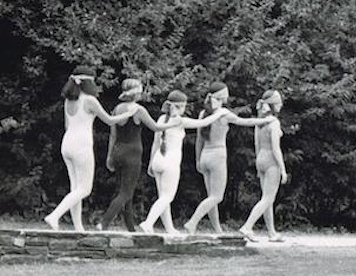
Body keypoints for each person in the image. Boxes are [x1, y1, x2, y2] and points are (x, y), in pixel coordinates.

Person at [44, 66, 142, 231]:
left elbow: (67, 125)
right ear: (88, 83)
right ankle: (54, 216)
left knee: (75, 188)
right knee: (84, 189)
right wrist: (128, 114)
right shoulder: (90, 100)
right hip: (81, 145)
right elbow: (109, 120)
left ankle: (78, 227)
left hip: (67, 143)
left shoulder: (69, 100)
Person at [183, 82, 276, 235]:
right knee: (216, 197)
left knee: (211, 197)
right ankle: (192, 222)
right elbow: (245, 122)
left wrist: (197, 159)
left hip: (205, 155)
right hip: (217, 156)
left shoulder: (203, 114)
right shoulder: (224, 113)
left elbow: (199, 140)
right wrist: (265, 120)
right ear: (221, 95)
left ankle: (217, 230)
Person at [137, 90, 227, 234]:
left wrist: (151, 163)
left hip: (158, 159)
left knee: (163, 198)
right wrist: (220, 113)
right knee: (167, 197)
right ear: (180, 106)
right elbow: (203, 123)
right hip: (170, 162)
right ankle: (148, 223)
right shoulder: (180, 120)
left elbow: (156, 142)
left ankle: (169, 228)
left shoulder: (161, 119)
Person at [97, 78, 179, 231]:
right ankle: (104, 223)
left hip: (118, 150)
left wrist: (109, 156)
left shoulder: (117, 109)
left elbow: (113, 135)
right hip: (132, 153)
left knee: (125, 190)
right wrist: (173, 123)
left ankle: (130, 228)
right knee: (125, 192)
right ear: (136, 93)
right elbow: (155, 127)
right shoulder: (138, 110)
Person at [239, 90, 288, 243]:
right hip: (271, 161)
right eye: (278, 102)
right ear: (273, 105)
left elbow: (257, 143)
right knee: (268, 198)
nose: (281, 105)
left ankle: (271, 232)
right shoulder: (274, 122)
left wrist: (257, 163)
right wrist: (283, 169)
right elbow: (276, 148)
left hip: (261, 158)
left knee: (267, 199)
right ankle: (247, 227)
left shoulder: (260, 121)